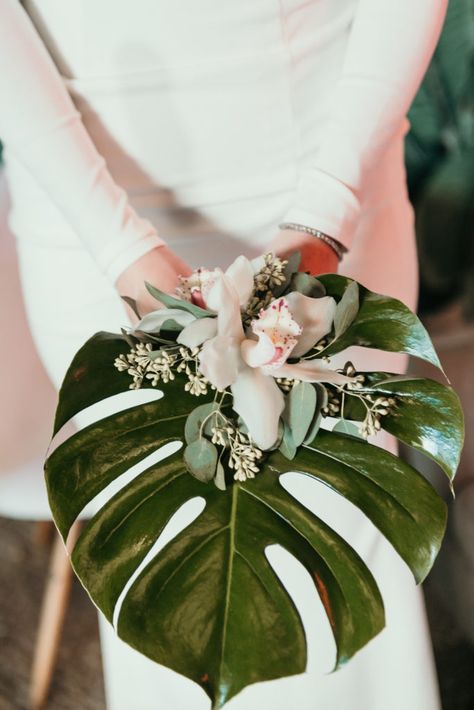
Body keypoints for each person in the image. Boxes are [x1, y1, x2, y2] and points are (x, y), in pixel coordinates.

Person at [0, 1, 448, 708]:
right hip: (89, 211)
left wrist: (326, 215)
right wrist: (123, 252)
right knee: (172, 567)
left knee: (333, 552)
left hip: (330, 164)